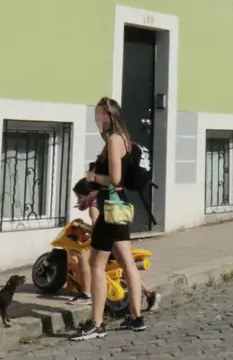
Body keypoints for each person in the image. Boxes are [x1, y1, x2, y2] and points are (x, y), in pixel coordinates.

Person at [70, 97, 152, 341]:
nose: (98, 120)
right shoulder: (121, 138)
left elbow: (115, 180)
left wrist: (93, 177)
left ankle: (96, 323)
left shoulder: (115, 140)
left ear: (111, 116)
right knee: (127, 262)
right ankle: (136, 318)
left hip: (111, 210)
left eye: (101, 115)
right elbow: (118, 186)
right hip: (117, 205)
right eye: (97, 115)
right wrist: (92, 196)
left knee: (96, 264)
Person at [68, 178, 161, 312]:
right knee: (126, 269)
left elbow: (96, 229)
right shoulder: (106, 198)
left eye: (80, 197)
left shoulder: (93, 207)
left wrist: (82, 226)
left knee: (83, 257)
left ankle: (86, 293)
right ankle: (149, 293)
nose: (78, 201)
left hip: (106, 243)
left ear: (90, 193)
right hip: (117, 237)